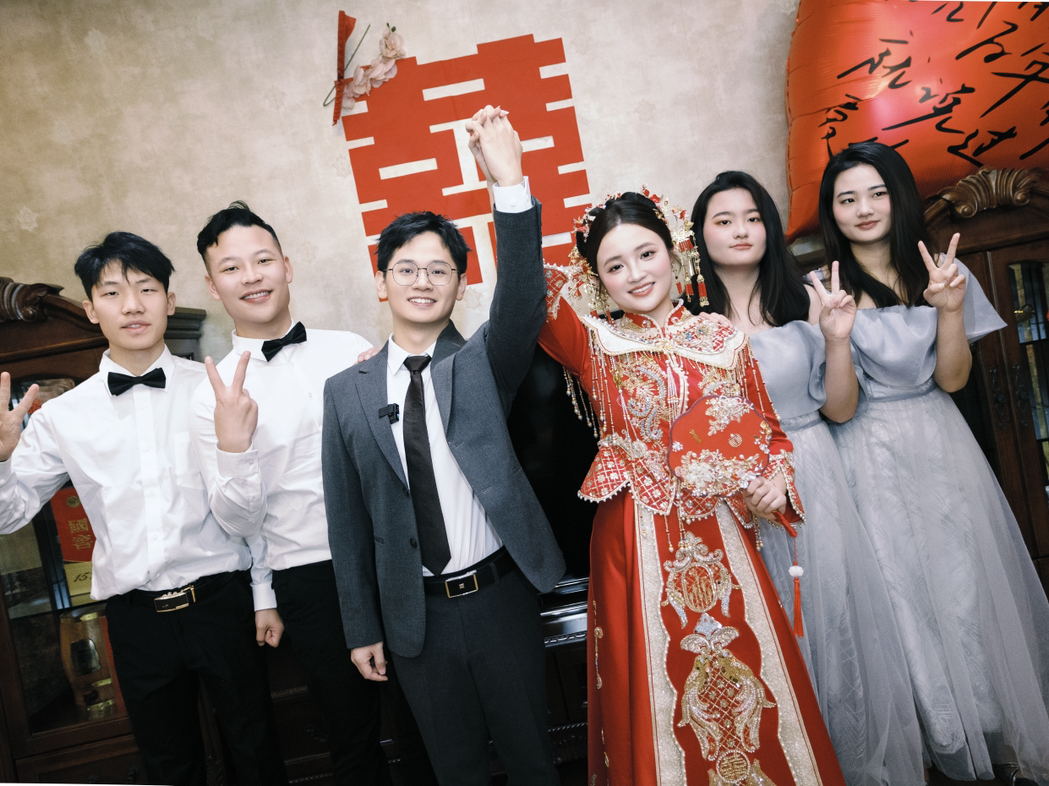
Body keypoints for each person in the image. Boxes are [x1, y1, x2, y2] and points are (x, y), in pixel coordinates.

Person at [539, 189, 845, 785]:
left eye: (646, 253)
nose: (635, 274)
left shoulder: (722, 339)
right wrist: (507, 183)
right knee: (656, 687)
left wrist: (775, 480)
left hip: (726, 534)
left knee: (749, 677)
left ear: (675, 251)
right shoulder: (595, 344)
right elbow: (531, 293)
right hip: (635, 539)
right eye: (614, 266)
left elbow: (770, 435)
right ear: (597, 280)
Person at [321, 107, 564, 786]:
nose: (422, 281)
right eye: (406, 269)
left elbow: (523, 302)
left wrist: (508, 184)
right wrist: (360, 628)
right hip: (414, 617)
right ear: (381, 283)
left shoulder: (481, 365)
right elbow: (347, 522)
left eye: (439, 270)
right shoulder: (345, 392)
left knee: (533, 765)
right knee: (454, 773)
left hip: (499, 601)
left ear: (459, 284)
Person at [0, 233, 286, 786]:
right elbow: (8, 516)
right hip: (135, 620)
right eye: (112, 293)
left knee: (257, 754)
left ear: (169, 301)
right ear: (91, 310)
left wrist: (263, 593)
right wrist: (1, 461)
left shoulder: (215, 392)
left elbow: (254, 508)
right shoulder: (63, 416)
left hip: (221, 604)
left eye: (147, 289)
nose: (132, 305)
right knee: (169, 768)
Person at [819, 141, 1049, 783]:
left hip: (941, 445)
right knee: (895, 599)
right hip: (863, 454)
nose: (864, 208)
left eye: (877, 193)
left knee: (962, 586)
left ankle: (987, 731)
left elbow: (952, 379)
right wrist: (837, 334)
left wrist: (948, 309)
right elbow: (839, 408)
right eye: (846, 199)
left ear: (899, 196)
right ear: (831, 212)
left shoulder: (943, 271)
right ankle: (936, 739)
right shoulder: (821, 290)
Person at [188, 203, 434, 785]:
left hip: (393, 556)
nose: (252, 277)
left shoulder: (349, 350)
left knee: (428, 721)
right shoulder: (210, 396)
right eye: (231, 268)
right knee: (351, 737)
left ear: (287, 266)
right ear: (213, 286)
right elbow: (238, 522)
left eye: (262, 260)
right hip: (311, 576)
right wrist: (233, 445)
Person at [692, 170, 923, 784]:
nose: (742, 230)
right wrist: (746, 482)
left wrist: (837, 339)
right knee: (769, 633)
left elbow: (841, 410)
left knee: (838, 620)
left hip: (815, 471)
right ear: (699, 236)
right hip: (741, 495)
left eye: (753, 217)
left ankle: (855, 764)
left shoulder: (807, 302)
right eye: (724, 220)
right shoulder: (691, 328)